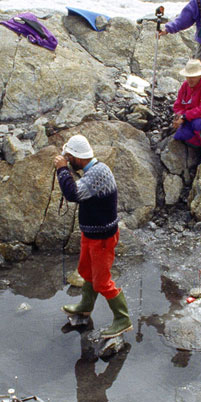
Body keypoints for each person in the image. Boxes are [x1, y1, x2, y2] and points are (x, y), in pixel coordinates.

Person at [53, 135, 132, 339]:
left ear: (78, 157)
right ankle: (86, 305)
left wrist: (62, 170)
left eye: (69, 158)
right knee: (85, 270)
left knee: (102, 282)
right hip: (91, 233)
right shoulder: (91, 170)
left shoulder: (98, 173)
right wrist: (66, 169)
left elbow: (73, 194)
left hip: (103, 238)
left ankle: (123, 319)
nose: (68, 161)